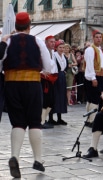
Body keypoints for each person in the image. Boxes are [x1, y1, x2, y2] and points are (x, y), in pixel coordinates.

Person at [0, 12, 56, 178]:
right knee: (34, 121)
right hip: (32, 84)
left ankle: (15, 156)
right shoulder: (37, 41)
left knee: (17, 122)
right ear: (29, 26)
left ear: (15, 26)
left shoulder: (7, 41)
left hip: (11, 85)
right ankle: (38, 159)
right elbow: (49, 67)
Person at [84, 30, 103, 127]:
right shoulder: (90, 49)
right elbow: (89, 65)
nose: (99, 39)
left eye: (100, 37)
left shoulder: (99, 49)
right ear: (93, 38)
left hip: (100, 76)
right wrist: (93, 78)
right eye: (97, 37)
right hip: (94, 76)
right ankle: (91, 120)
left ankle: (89, 119)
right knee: (94, 99)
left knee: (92, 99)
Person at [40, 35, 56, 129]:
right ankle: (41, 121)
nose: (53, 43)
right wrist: (42, 72)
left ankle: (44, 119)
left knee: (51, 101)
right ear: (46, 43)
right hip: (44, 78)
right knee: (45, 100)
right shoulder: (42, 52)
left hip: (51, 78)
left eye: (54, 42)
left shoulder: (53, 52)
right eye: (51, 42)